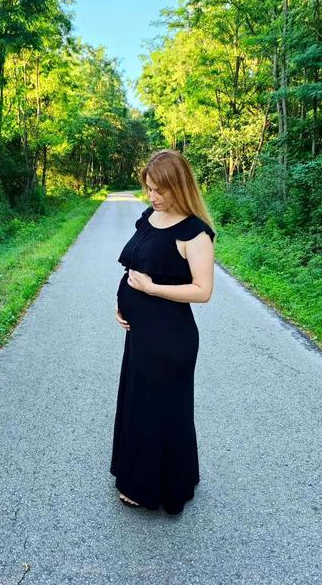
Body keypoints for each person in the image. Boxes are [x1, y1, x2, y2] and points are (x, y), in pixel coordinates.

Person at [110, 148, 216, 515]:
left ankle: (154, 488)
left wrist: (152, 289)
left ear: (179, 186)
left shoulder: (195, 233)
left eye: (160, 190)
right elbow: (134, 267)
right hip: (140, 333)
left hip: (170, 338)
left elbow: (203, 291)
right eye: (149, 188)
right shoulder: (148, 217)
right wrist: (121, 303)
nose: (152, 196)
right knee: (138, 404)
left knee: (160, 410)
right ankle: (147, 475)